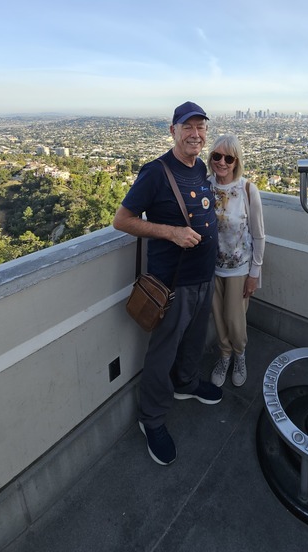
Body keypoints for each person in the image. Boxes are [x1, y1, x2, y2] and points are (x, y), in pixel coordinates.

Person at [113, 101, 221, 466]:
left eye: (201, 127)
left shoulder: (200, 166)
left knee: (194, 340)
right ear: (172, 131)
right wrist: (170, 232)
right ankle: (152, 418)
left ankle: (187, 383)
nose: (195, 134)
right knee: (163, 352)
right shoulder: (156, 172)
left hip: (204, 274)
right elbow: (123, 220)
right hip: (172, 281)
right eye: (187, 127)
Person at [207, 134, 265, 388]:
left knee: (234, 319)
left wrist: (254, 273)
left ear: (236, 161)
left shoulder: (247, 191)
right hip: (209, 267)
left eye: (228, 158)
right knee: (218, 317)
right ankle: (225, 356)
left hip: (239, 268)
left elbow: (259, 235)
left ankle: (239, 355)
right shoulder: (204, 186)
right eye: (216, 156)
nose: (222, 162)